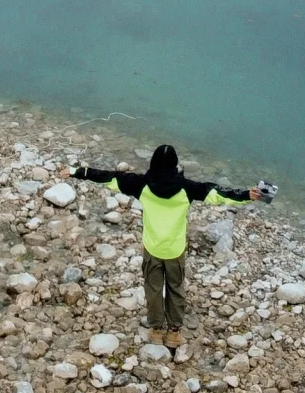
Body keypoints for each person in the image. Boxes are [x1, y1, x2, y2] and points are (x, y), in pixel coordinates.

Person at [70, 145, 263, 348]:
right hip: (174, 250)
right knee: (176, 289)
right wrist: (246, 195)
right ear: (174, 165)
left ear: (153, 162)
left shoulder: (140, 184)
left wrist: (78, 172)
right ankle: (174, 333)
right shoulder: (187, 188)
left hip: (152, 248)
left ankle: (155, 330)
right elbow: (218, 193)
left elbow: (109, 177)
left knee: (153, 290)